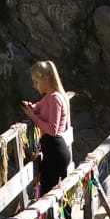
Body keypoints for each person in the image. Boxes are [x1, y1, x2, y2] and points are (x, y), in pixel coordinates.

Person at [21, 61, 72, 196]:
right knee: (53, 195)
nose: (34, 85)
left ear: (46, 79)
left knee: (48, 196)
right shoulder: (50, 97)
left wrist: (32, 116)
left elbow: (52, 130)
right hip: (53, 151)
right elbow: (38, 107)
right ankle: (64, 217)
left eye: (36, 81)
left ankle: (62, 217)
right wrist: (31, 108)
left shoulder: (54, 99)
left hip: (55, 152)